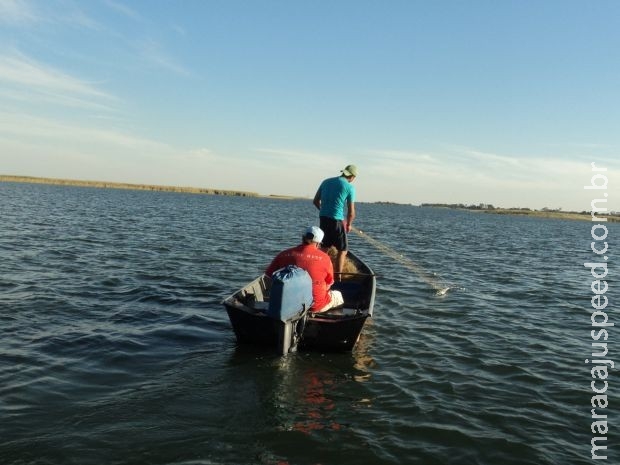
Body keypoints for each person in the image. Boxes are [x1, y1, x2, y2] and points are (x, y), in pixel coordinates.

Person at [265, 226, 344, 313]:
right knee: (338, 296)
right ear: (318, 244)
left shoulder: (283, 254)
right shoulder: (325, 258)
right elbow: (329, 283)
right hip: (315, 307)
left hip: (286, 306)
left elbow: (268, 277)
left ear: (303, 238)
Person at [312, 164, 357, 276]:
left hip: (323, 219)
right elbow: (351, 212)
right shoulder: (349, 187)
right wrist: (349, 224)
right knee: (342, 251)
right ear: (351, 176)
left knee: (324, 248)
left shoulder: (326, 181)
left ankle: (317, 273)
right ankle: (338, 277)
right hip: (337, 221)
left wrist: (324, 211)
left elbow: (315, 201)